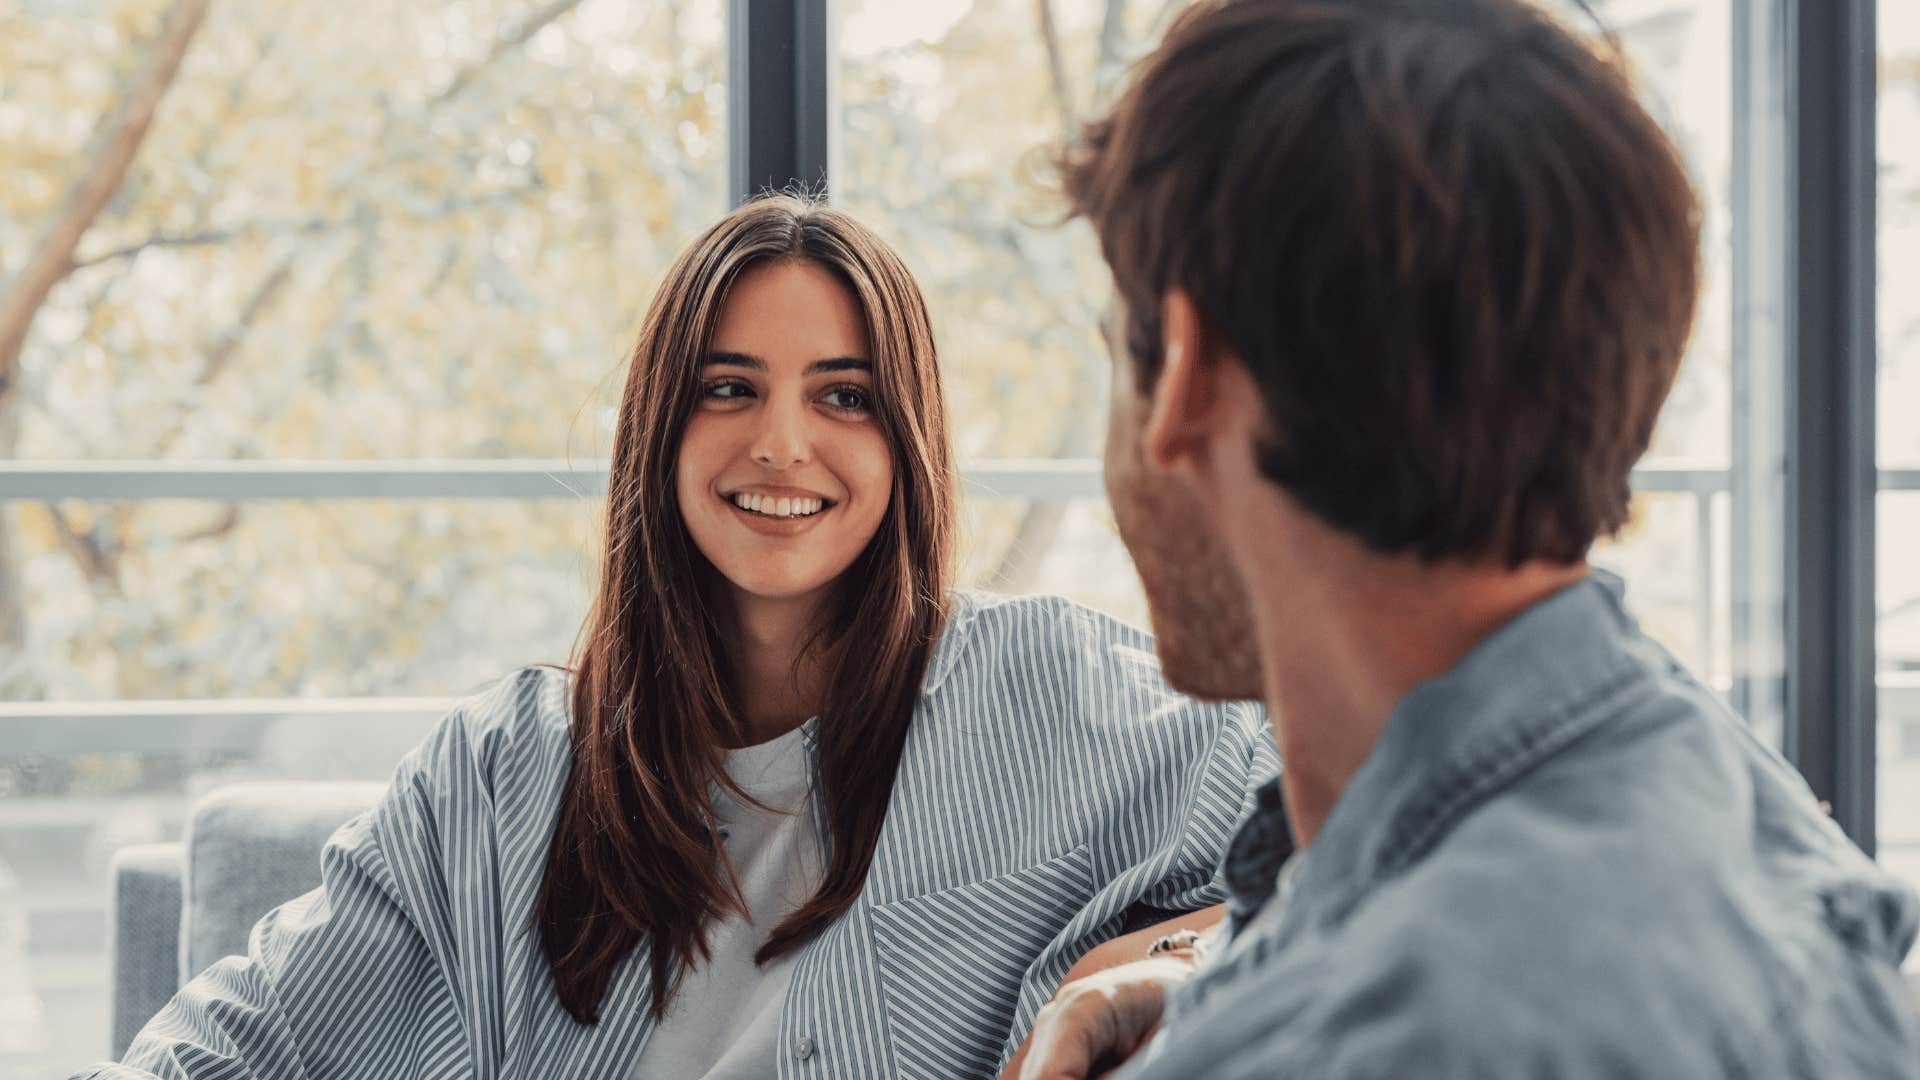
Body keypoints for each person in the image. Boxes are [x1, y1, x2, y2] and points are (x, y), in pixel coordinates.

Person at [78, 195, 1278, 1080]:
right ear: (662, 427)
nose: (783, 443)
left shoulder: (1045, 692)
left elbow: (1343, 826)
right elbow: (240, 1043)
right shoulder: (499, 771)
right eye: (729, 386)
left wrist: (1150, 966)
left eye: (845, 396)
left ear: (905, 442)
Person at [1012, 0, 1920, 1077]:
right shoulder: (1719, 786)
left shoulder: (1346, 1039)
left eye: (1120, 347)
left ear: (1188, 371)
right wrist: (1221, 982)